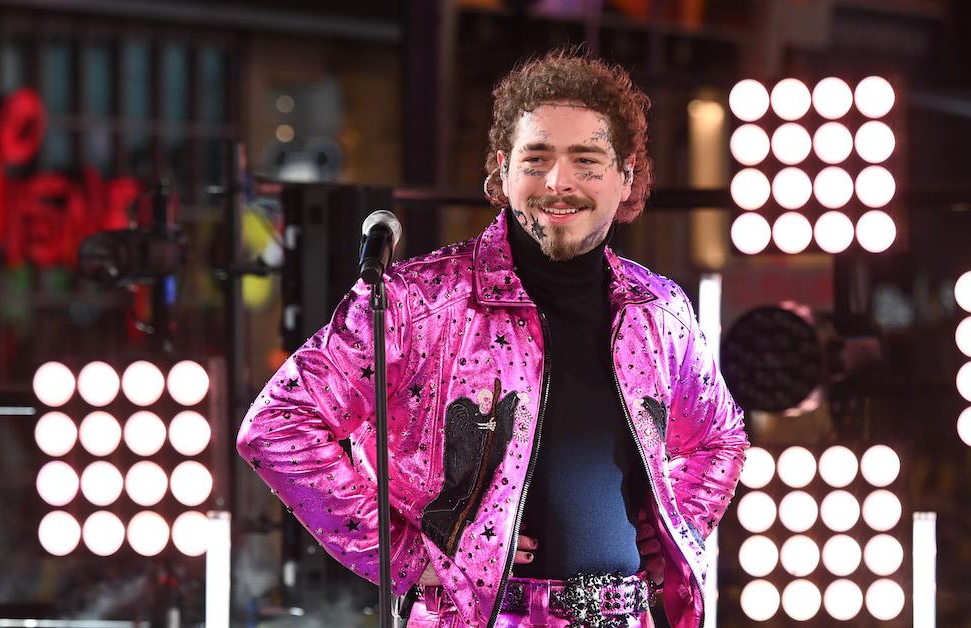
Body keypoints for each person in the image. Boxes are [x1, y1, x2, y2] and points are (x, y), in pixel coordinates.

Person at [237, 48, 748, 628]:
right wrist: (403, 556)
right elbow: (279, 425)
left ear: (625, 175)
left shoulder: (659, 311)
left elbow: (719, 439)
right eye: (537, 159)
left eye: (586, 161)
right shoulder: (419, 301)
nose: (560, 183)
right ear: (503, 171)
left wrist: (673, 525)